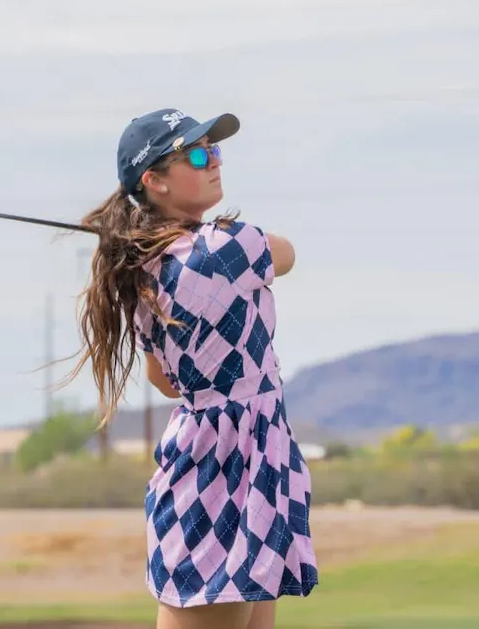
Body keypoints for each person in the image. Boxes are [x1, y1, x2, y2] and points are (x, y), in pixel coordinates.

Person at [62, 108, 318, 629]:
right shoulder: (226, 246)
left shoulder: (144, 274)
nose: (214, 162)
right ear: (153, 181)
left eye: (214, 151)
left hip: (217, 453)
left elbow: (164, 378)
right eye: (197, 156)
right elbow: (287, 254)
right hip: (237, 460)